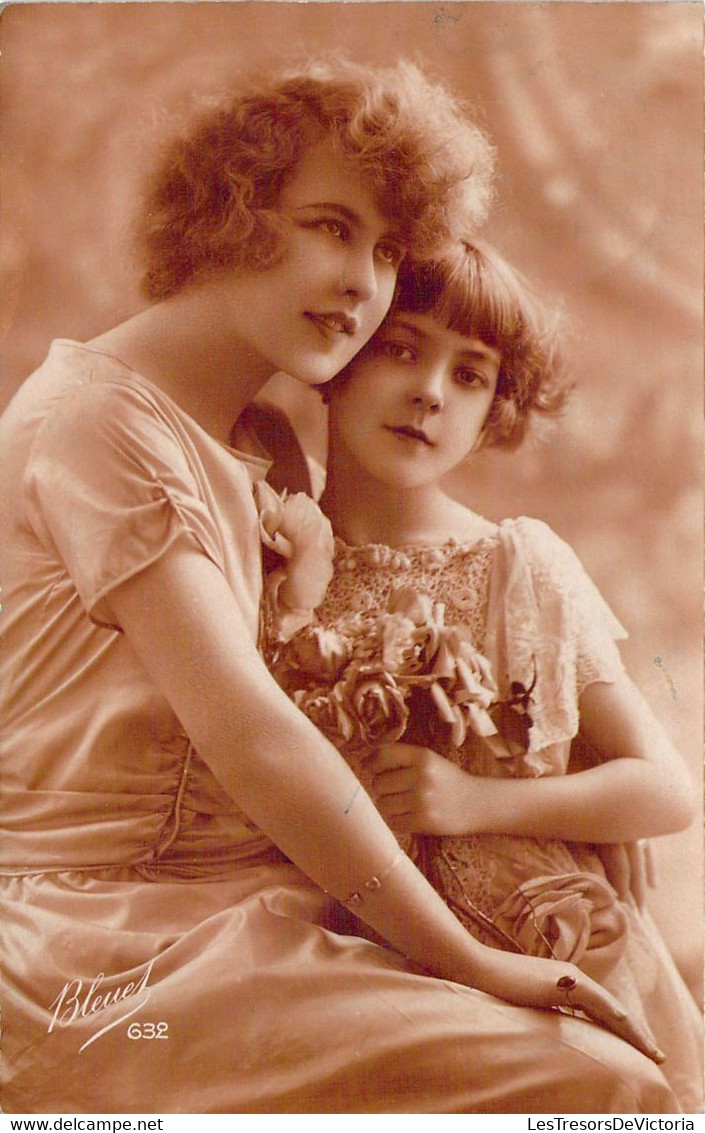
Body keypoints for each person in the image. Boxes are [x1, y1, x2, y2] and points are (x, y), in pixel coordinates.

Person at [0, 59, 678, 1115]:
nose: (364, 280)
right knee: (586, 1078)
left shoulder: (255, 438)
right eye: (330, 225)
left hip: (244, 909)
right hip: (102, 949)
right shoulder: (99, 423)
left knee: (621, 1064)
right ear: (227, 212)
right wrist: (469, 958)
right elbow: (257, 736)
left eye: (387, 247)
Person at [263, 239, 702, 1111]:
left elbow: (664, 791)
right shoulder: (274, 547)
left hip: (542, 944)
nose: (430, 390)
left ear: (493, 406)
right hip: (343, 953)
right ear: (341, 349)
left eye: (469, 374)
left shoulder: (519, 564)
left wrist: (479, 801)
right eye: (401, 348)